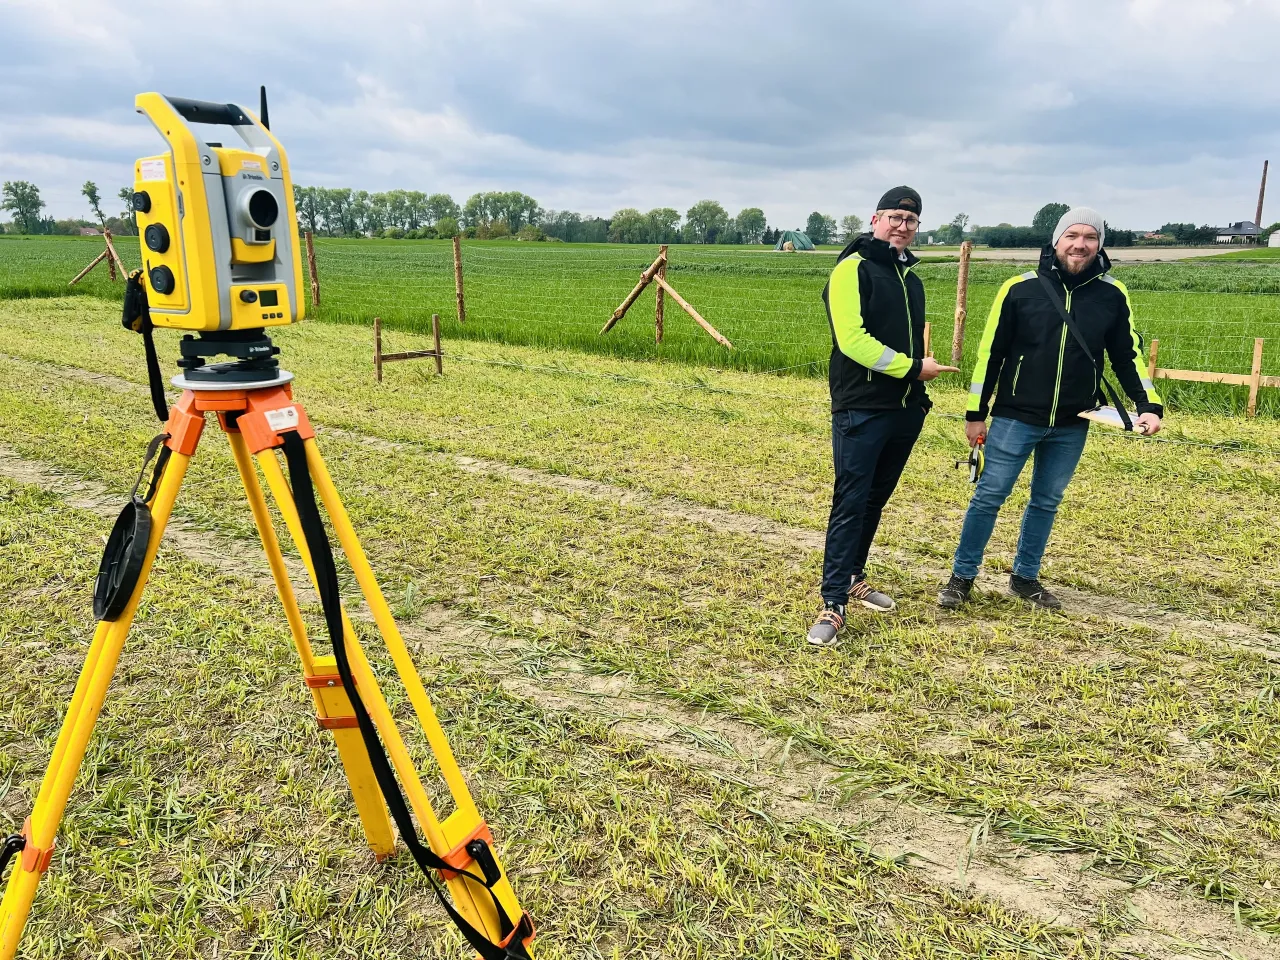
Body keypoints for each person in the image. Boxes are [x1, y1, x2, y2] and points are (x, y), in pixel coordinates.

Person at [938, 207, 1163, 611]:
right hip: (1013, 418)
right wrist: (976, 413)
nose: (1080, 244)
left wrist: (1149, 405)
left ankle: (1025, 577)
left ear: (1100, 245)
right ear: (1056, 240)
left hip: (1073, 422)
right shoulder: (1019, 288)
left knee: (1046, 501)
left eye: (1090, 237)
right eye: (1072, 235)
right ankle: (962, 576)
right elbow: (992, 355)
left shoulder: (1113, 294)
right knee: (989, 496)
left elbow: (1127, 356)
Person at [807, 186, 959, 646]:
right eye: (895, 217)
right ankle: (833, 603)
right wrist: (914, 368)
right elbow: (852, 340)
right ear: (875, 220)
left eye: (911, 221)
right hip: (861, 407)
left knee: (875, 499)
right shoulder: (852, 270)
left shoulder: (911, 279)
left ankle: (854, 575)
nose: (903, 227)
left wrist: (914, 386)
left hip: (904, 409)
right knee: (850, 501)